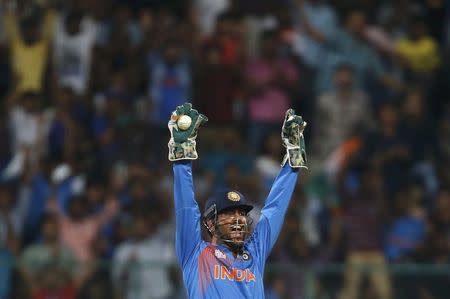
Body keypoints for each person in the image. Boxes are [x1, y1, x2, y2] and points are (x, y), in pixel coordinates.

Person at [168, 103, 307, 298]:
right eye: (229, 213)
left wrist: (293, 165)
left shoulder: (255, 252)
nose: (238, 219)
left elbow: (275, 208)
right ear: (210, 223)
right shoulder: (195, 252)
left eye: (241, 213)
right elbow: (186, 207)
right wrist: (182, 156)